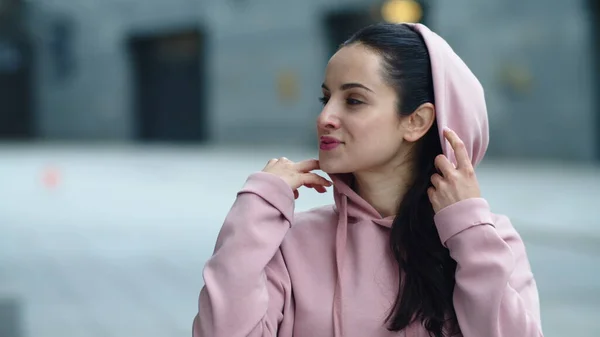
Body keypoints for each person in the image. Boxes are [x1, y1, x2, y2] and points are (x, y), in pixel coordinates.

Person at [192, 23, 543, 337]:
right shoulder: (289, 244)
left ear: (416, 121)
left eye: (354, 100)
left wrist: (468, 230)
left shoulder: (487, 241)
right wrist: (257, 205)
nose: (325, 117)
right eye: (325, 98)